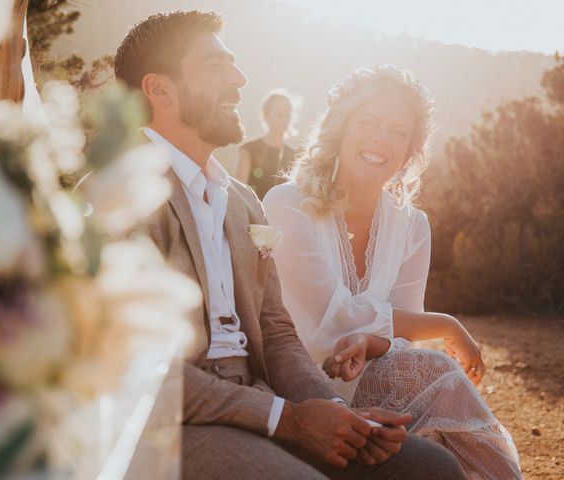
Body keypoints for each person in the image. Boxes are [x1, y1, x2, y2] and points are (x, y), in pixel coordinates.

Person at [114, 11, 467, 480]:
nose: (240, 80)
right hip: (175, 427)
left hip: (266, 404)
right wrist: (288, 419)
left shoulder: (242, 202)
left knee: (432, 470)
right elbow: (137, 371)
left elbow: (277, 333)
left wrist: (332, 409)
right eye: (216, 66)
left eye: (234, 65)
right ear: (160, 90)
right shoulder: (118, 198)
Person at [263, 65, 522, 479]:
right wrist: (445, 325)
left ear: (410, 150)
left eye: (398, 132)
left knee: (439, 428)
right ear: (341, 128)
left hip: (371, 378)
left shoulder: (413, 226)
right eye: (368, 122)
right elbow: (320, 323)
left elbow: (398, 340)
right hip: (298, 388)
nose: (381, 139)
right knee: (439, 371)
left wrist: (371, 340)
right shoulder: (288, 204)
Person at [236, 90, 295, 198]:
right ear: (266, 115)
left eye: (288, 114)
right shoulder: (249, 149)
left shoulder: (294, 155)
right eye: (279, 114)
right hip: (254, 213)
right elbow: (240, 191)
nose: (285, 120)